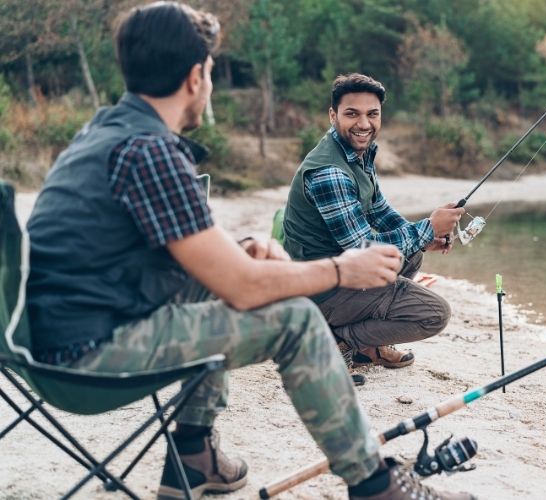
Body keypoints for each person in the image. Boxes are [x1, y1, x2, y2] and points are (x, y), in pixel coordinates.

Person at [24, 3, 473, 500]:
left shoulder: (104, 134)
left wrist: (239, 251)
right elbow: (240, 286)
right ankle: (375, 484)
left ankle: (194, 454)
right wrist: (340, 268)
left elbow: (168, 261)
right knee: (295, 322)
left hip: (48, 341)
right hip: (84, 359)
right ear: (196, 77)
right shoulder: (149, 151)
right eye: (212, 71)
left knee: (221, 280)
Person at [283, 73, 465, 371]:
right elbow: (361, 248)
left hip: (336, 272)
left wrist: (424, 235)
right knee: (435, 314)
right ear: (333, 115)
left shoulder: (356, 154)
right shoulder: (331, 171)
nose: (364, 124)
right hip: (319, 288)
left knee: (412, 250)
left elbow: (381, 211)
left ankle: (368, 348)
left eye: (372, 114)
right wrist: (429, 227)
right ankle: (339, 337)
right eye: (352, 114)